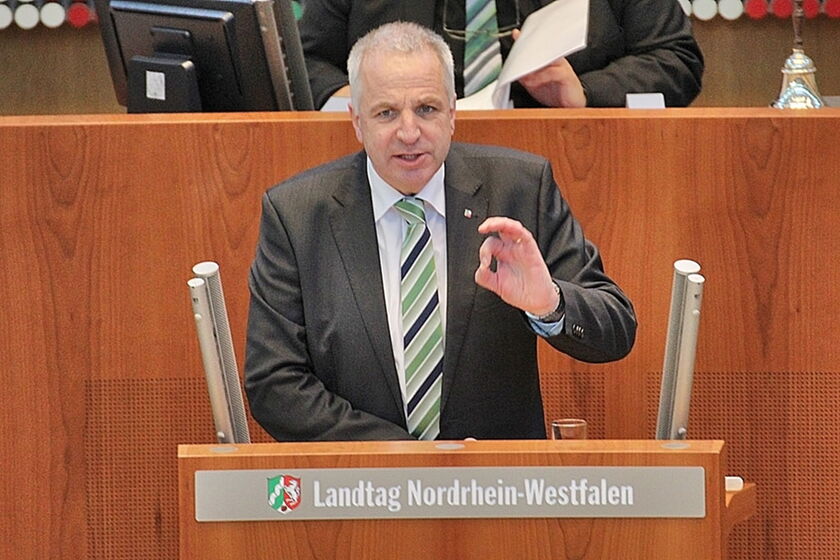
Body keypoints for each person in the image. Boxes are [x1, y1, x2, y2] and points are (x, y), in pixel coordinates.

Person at [245, 22, 636, 442]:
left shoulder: (520, 188)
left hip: (498, 492)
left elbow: (615, 331)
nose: (409, 133)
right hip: (359, 491)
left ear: (452, 113)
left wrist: (549, 304)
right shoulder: (297, 215)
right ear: (356, 121)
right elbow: (275, 383)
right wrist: (415, 464)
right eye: (386, 113)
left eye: (427, 109)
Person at [299, 0, 704, 110]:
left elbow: (675, 60)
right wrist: (362, 97)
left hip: (570, 166)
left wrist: (585, 92)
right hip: (398, 168)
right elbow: (300, 63)